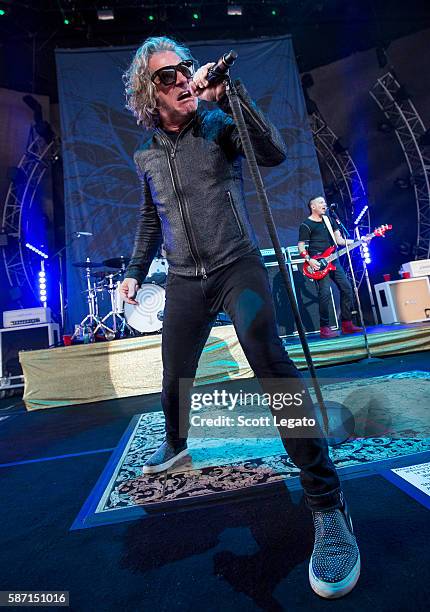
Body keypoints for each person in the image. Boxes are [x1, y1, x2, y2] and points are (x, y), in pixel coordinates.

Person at [120, 36, 360, 598]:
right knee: (173, 370)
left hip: (236, 266)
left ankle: (326, 503)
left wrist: (231, 99)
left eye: (183, 71)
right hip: (183, 278)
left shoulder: (217, 126)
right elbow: (149, 220)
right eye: (166, 77)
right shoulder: (147, 154)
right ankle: (176, 441)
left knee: (266, 354)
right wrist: (134, 269)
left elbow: (272, 152)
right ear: (146, 92)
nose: (180, 80)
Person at [298, 196, 363, 339]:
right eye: (321, 202)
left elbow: (339, 241)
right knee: (325, 294)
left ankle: (347, 324)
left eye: (325, 202)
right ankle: (324, 328)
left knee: (346, 288)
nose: (324, 204)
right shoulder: (306, 224)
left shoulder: (330, 220)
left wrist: (358, 241)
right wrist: (309, 260)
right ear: (313, 206)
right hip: (319, 262)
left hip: (333, 260)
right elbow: (301, 245)